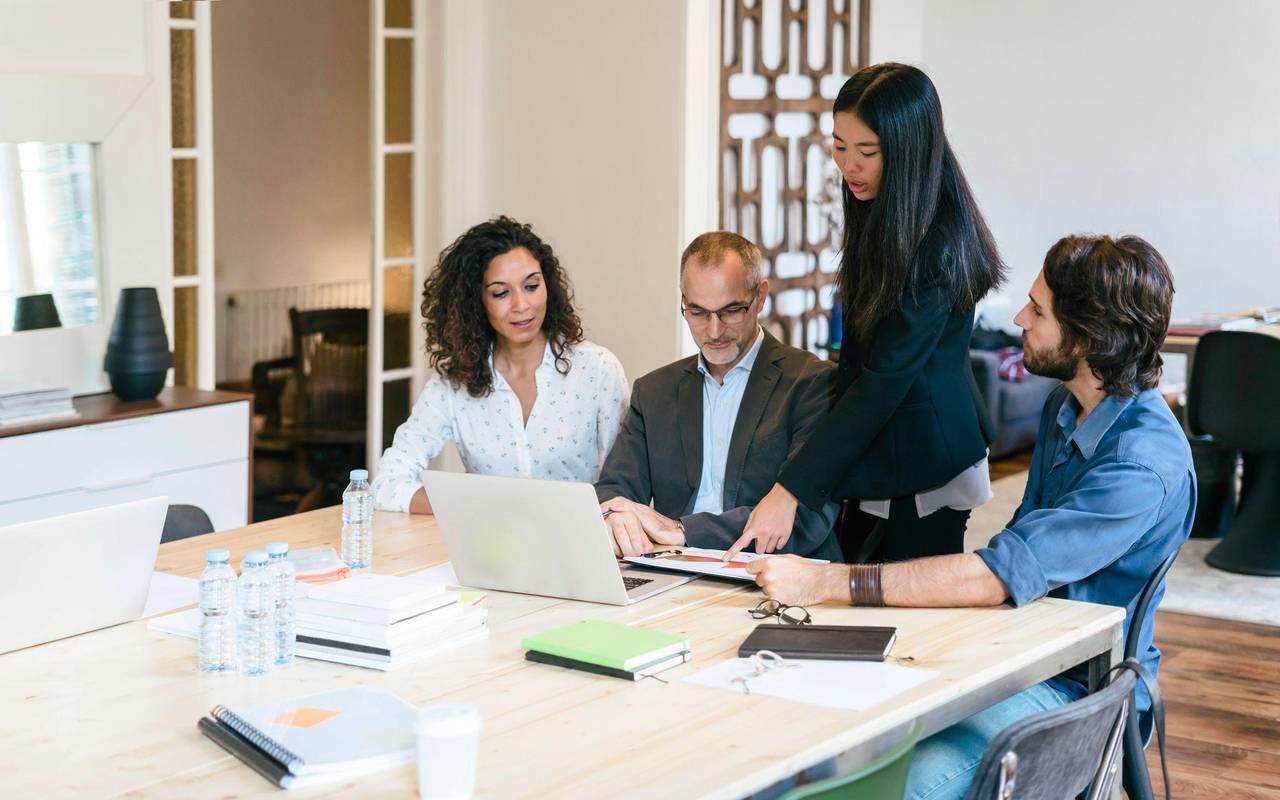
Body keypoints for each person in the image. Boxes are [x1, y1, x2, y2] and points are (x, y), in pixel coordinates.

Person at [745, 234, 1195, 800]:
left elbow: (998, 575)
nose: (1019, 318)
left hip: (1078, 688)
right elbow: (1011, 559)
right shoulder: (1067, 406)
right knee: (801, 749)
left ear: (1088, 338)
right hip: (1017, 651)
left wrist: (826, 581)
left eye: (1038, 309)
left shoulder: (1141, 463)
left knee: (887, 789)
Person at [731, 63, 1006, 563]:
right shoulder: (882, 203)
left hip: (928, 454)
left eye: (867, 152)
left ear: (907, 151)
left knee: (904, 613)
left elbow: (882, 380)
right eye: (839, 146)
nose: (848, 166)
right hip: (887, 445)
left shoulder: (937, 244)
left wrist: (789, 490)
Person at [595, 232, 841, 561]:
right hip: (672, 573)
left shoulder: (812, 383)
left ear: (760, 297)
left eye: (730, 311)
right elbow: (614, 492)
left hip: (777, 573)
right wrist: (618, 519)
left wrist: (681, 530)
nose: (713, 331)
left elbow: (808, 519)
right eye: (697, 312)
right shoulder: (654, 392)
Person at [371, 216, 629, 513]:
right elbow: (387, 483)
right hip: (490, 550)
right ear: (475, 302)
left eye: (531, 286)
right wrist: (474, 506)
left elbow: (623, 487)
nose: (522, 305)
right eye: (501, 293)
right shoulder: (453, 383)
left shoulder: (597, 370)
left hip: (582, 547)